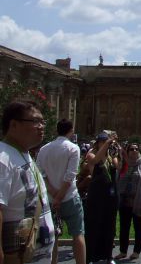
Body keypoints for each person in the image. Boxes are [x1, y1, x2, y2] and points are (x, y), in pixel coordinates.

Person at [1, 101, 55, 264]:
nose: (41, 126)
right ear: (14, 125)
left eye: (42, 122)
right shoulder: (3, 159)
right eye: (35, 121)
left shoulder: (24, 154)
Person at [37, 118, 86, 264]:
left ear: (56, 130)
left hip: (50, 199)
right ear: (71, 130)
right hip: (69, 197)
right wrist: (60, 196)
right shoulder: (73, 148)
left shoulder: (44, 149)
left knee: (53, 237)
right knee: (78, 234)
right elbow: (70, 175)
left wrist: (53, 194)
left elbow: (41, 173)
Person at [114, 143, 141, 261]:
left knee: (139, 228)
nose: (134, 151)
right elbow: (119, 181)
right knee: (124, 228)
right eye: (131, 149)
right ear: (127, 152)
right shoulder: (123, 165)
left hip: (139, 201)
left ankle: (136, 252)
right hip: (124, 202)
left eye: (136, 149)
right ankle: (123, 251)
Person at [84, 132, 120, 264]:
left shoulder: (111, 157)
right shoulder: (91, 154)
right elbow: (94, 161)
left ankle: (108, 256)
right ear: (98, 142)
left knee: (109, 226)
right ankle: (91, 257)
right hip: (96, 196)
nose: (106, 143)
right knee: (94, 225)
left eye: (107, 141)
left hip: (110, 197)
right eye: (103, 141)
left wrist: (119, 150)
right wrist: (106, 144)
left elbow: (119, 166)